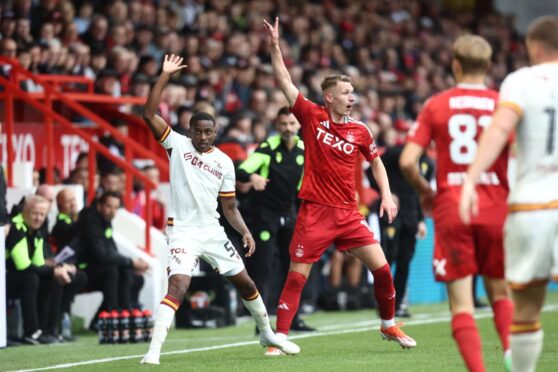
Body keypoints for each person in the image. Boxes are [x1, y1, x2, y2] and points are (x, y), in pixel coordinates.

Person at [264, 18, 416, 353]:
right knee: (296, 276)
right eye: (346, 92)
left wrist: (388, 195)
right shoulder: (310, 115)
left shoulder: (360, 130)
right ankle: (280, 339)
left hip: (348, 213)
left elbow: (375, 161)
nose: (353, 97)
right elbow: (284, 80)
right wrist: (275, 47)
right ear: (329, 97)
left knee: (383, 270)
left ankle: (389, 326)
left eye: (353, 92)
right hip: (315, 212)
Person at [140, 54, 300, 365]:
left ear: (215, 133)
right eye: (197, 131)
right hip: (183, 231)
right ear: (190, 130)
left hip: (212, 231)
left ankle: (267, 334)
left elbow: (229, 206)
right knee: (179, 284)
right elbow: (148, 114)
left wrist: (244, 231)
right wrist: (164, 77)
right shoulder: (177, 145)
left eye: (207, 132)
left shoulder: (225, 162)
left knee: (247, 283)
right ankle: (154, 351)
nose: (202, 136)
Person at [400, 35, 513, 371]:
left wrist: (425, 190)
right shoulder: (503, 104)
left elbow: (408, 161)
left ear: (455, 64)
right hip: (495, 205)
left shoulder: (437, 104)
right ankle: (513, 358)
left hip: (453, 205)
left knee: (462, 305)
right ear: (490, 66)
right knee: (501, 294)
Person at [459, 16, 558, 372]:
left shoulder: (521, 80)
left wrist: (471, 179)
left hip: (531, 209)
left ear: (533, 47)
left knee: (527, 310)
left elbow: (500, 129)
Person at [237, 107, 315, 336]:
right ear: (277, 125)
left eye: (292, 124)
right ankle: (260, 323)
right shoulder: (268, 148)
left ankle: (295, 318)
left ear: (298, 125)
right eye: (283, 124)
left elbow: (305, 186)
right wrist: (253, 177)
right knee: (262, 269)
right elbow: (240, 170)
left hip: (290, 215)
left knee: (293, 268)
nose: (288, 129)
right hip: (265, 216)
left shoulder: (304, 149)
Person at [367, 142, 433, 318]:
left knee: (405, 260)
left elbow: (421, 194)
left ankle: (399, 303)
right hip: (391, 212)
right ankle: (382, 301)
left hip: (411, 216)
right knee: (387, 257)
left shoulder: (428, 162)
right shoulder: (396, 153)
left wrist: (421, 220)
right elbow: (370, 171)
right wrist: (387, 193)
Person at [5, 195, 74, 344]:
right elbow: (23, 265)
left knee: (52, 279)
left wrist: (57, 270)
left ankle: (48, 330)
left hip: (19, 276)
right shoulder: (16, 227)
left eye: (42, 214)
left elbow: (38, 263)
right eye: (35, 213)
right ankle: (31, 332)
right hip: (4, 277)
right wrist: (52, 271)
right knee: (31, 278)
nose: (38, 218)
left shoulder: (36, 230)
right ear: (25, 211)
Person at [76, 191, 148, 316]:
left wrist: (130, 265)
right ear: (99, 205)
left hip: (98, 267)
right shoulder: (89, 221)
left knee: (134, 276)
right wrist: (131, 262)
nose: (112, 211)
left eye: (115, 207)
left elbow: (111, 251)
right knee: (112, 271)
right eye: (109, 206)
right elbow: (100, 255)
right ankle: (113, 314)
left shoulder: (105, 220)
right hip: (82, 267)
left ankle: (126, 311)